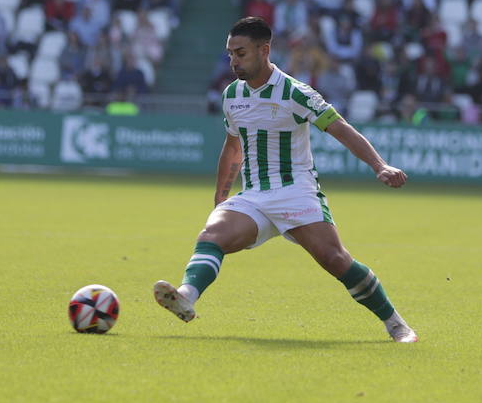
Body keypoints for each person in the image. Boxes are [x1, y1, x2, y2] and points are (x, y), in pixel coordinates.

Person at [152, 17, 418, 343]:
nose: (233, 61)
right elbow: (233, 146)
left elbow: (341, 129)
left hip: (296, 192)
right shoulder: (232, 94)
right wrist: (221, 198)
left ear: (264, 51)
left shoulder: (296, 92)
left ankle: (395, 323)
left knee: (335, 260)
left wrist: (380, 166)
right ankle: (186, 297)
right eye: (230, 54)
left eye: (241, 53)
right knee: (212, 233)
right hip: (255, 196)